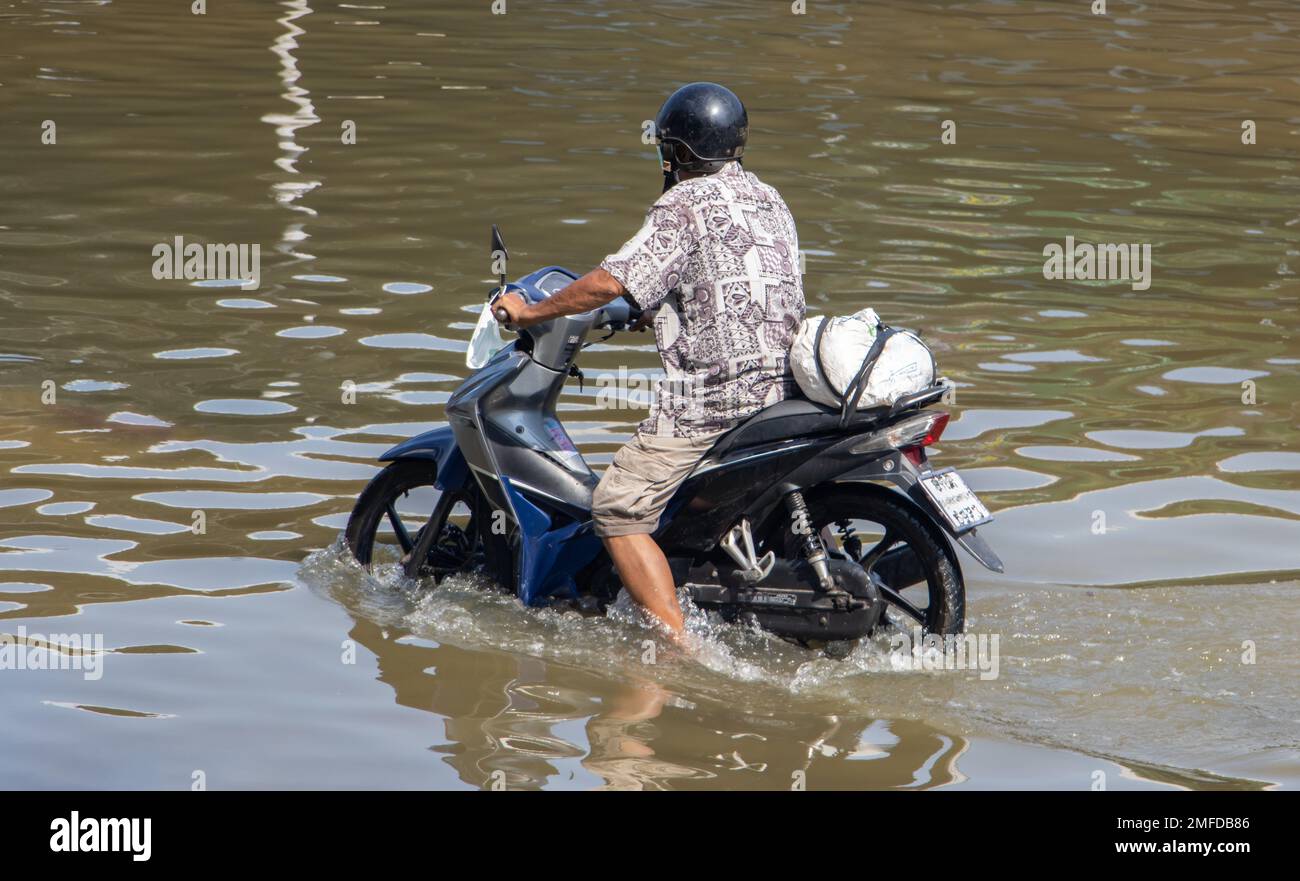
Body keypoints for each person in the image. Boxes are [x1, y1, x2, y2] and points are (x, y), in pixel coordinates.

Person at [493, 81, 805, 637]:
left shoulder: (683, 205)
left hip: (717, 398)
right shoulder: (769, 198)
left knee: (616, 507)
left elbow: (609, 281)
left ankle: (675, 649)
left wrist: (529, 312)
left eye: (667, 149)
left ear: (681, 153)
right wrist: (656, 307)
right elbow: (728, 283)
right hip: (782, 388)